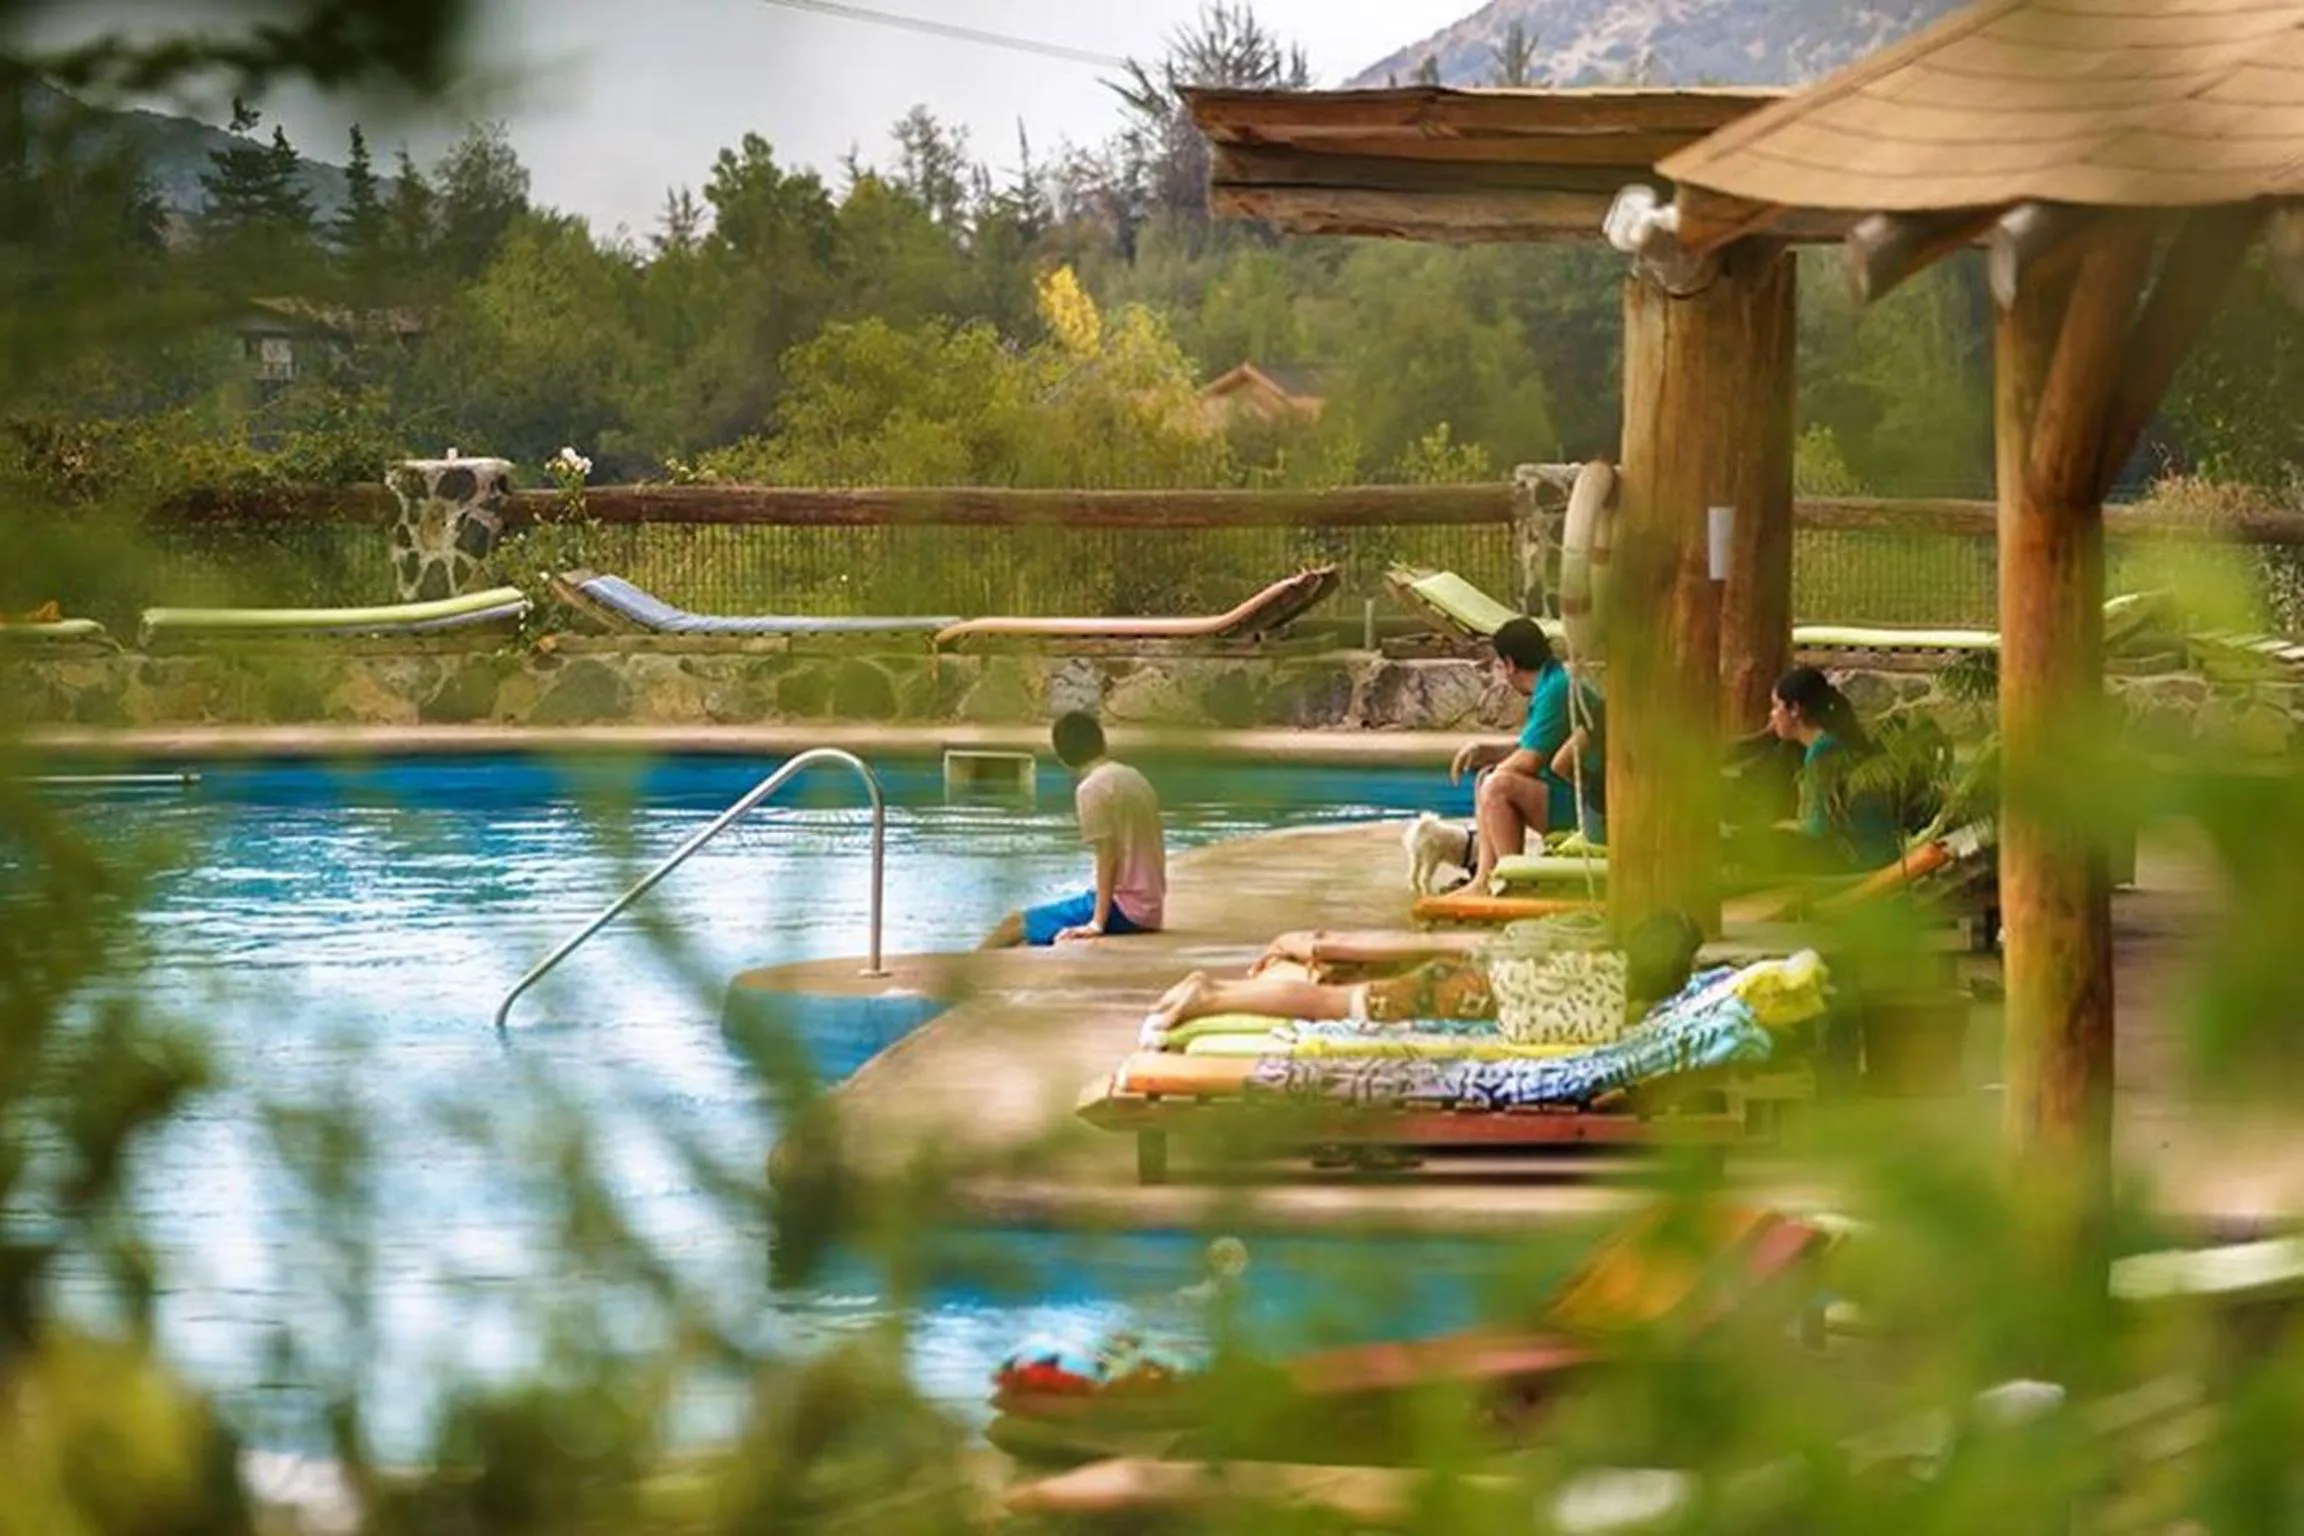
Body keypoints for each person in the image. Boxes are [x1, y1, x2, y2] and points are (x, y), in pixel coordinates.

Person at [1446, 617, 1605, 890]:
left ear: (1509, 663)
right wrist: (1484, 751)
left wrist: (1495, 775)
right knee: (1490, 778)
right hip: (1579, 796)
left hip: (1593, 808)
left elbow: (1529, 761)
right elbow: (1532, 747)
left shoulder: (1557, 689)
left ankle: (1512, 882)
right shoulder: (1551, 682)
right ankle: (1486, 878)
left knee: (1498, 785)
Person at [983, 711, 1166, 948]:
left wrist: (1096, 923)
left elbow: (1107, 856)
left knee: (1014, 924)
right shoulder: (1133, 777)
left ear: (1062, 754)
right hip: (1150, 906)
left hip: (1125, 909)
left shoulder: (1092, 788)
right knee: (1031, 940)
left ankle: (968, 975)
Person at [1759, 666, 1902, 872]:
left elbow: (1818, 828)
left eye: (1776, 706)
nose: (1772, 715)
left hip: (1860, 858)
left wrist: (1778, 828)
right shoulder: (1834, 742)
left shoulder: (1824, 752)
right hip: (1874, 853)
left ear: (1795, 710)